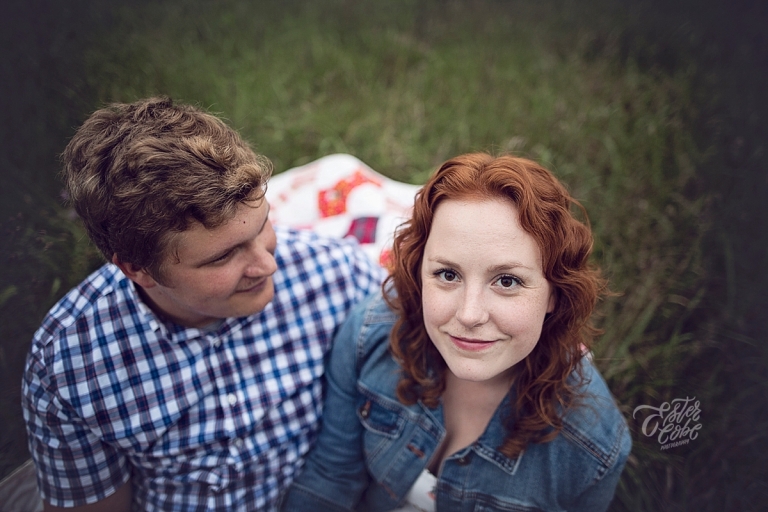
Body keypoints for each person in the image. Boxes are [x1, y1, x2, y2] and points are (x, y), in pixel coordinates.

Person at [21, 97, 385, 511]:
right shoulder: (70, 363)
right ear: (138, 269)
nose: (267, 265)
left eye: (263, 224)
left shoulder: (338, 277)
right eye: (223, 257)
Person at [281, 153, 632, 511]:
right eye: (448, 275)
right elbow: (331, 477)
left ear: (554, 293)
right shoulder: (369, 335)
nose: (469, 314)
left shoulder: (592, 448)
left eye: (507, 281)